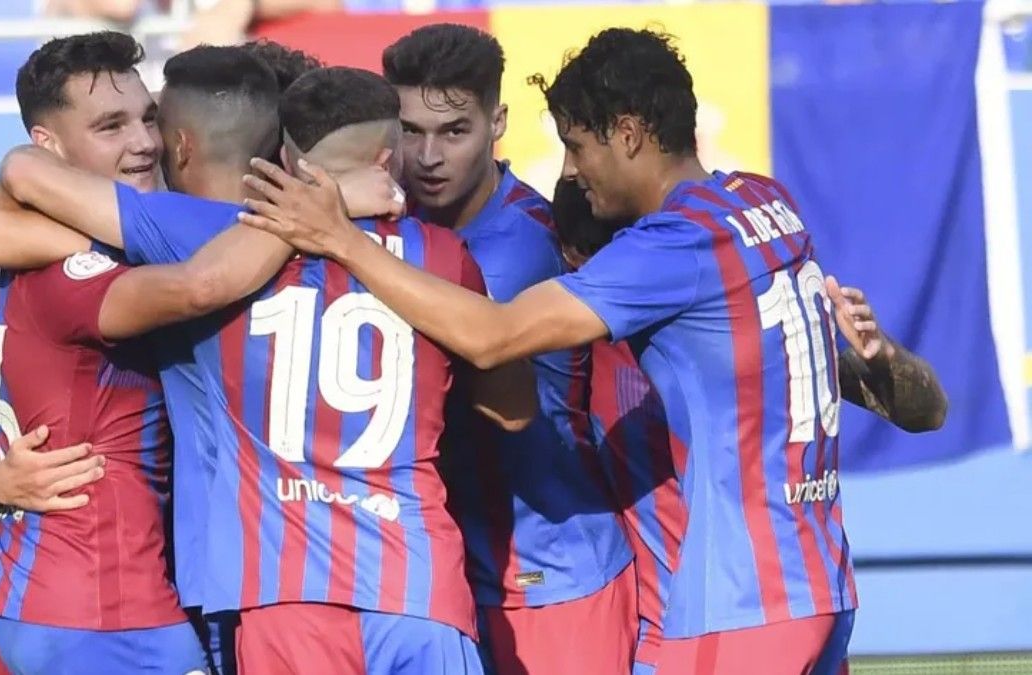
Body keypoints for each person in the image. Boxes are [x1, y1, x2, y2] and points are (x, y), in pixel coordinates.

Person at [240, 27, 872, 674]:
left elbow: (493, 337)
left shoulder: (622, 245)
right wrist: (875, 363)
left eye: (575, 146)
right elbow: (888, 389)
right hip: (811, 572)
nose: (568, 171)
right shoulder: (760, 202)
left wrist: (340, 239)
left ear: (626, 134)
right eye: (409, 132)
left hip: (683, 587)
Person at [0, 59, 537, 673]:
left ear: (289, 160)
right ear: (387, 160)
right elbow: (512, 409)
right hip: (415, 587)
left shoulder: (210, 236)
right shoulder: (444, 255)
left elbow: (2, 197)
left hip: (272, 590)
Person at [0, 32, 293, 673]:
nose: (143, 142)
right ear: (47, 148)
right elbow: (200, 286)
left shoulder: (8, 249)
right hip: (103, 607)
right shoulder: (86, 267)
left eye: (149, 118)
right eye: (111, 126)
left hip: (4, 595)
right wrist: (319, 214)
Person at [551, 177, 948, 673]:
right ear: (571, 260)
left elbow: (928, 411)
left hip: (741, 622)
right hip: (678, 634)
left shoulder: (728, 338)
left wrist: (882, 356)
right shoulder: (572, 353)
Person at [382, 23, 636, 674]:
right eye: (410, 131)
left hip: (551, 574)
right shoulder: (401, 231)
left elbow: (462, 343)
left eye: (454, 130)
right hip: (456, 577)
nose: (429, 156)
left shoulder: (518, 244)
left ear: (496, 122)